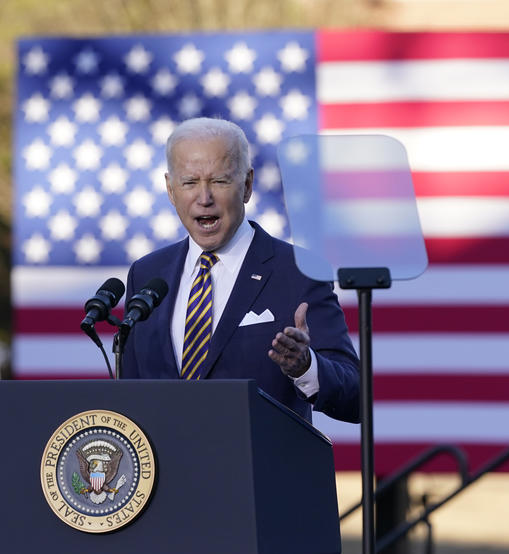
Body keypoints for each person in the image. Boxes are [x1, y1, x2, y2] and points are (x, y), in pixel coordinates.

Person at [121, 117, 360, 424]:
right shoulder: (147, 275)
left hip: (259, 469)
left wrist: (305, 367)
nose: (204, 198)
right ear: (170, 189)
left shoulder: (299, 271)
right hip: (168, 470)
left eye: (219, 181)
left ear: (246, 185)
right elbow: (129, 395)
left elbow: (355, 397)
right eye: (190, 182)